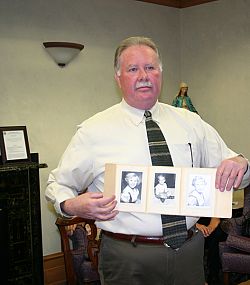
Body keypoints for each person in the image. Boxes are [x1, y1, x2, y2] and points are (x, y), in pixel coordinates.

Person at [45, 36, 250, 285]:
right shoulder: (93, 131)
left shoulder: (191, 122)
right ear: (118, 77)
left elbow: (237, 170)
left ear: (160, 73)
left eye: (150, 67)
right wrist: (72, 205)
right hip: (127, 258)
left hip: (188, 253)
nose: (144, 75)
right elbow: (57, 184)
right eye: (133, 69)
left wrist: (241, 163)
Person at [196, 217, 227, 285]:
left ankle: (213, 275)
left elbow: (216, 217)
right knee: (196, 236)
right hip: (190, 223)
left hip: (210, 221)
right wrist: (196, 225)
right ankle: (197, 277)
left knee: (218, 234)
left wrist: (210, 228)